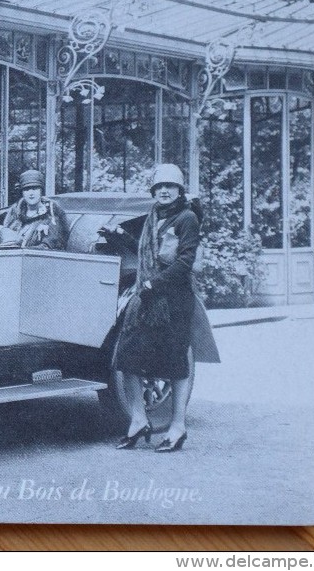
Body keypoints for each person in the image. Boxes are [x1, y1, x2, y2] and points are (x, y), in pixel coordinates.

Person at [110, 164, 200, 452]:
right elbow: (149, 250)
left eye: (170, 187)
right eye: (159, 187)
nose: (164, 191)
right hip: (148, 297)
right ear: (153, 191)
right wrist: (121, 238)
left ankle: (177, 427)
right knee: (126, 357)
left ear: (179, 190)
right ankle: (139, 419)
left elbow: (184, 262)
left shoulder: (187, 218)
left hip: (173, 300)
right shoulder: (152, 217)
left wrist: (152, 285)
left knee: (175, 364)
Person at [0, 170, 69, 249]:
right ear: (22, 192)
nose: (31, 193)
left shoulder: (52, 216)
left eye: (35, 188)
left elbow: (48, 247)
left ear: (41, 191)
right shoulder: (14, 214)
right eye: (26, 189)